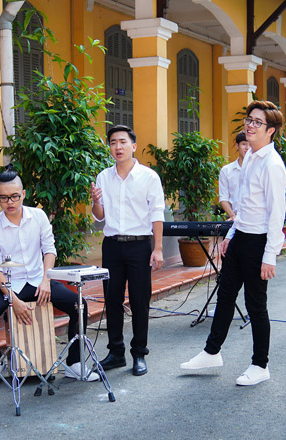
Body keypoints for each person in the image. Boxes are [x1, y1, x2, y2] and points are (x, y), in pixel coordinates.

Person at [181, 101, 286, 386]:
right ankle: (211, 352)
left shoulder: (272, 164)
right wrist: (230, 235)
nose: (250, 125)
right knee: (225, 296)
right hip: (241, 236)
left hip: (258, 242)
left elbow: (277, 213)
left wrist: (270, 255)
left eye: (257, 122)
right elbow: (242, 206)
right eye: (249, 120)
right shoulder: (250, 156)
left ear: (271, 130)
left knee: (256, 305)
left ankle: (260, 365)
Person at [0, 166, 97, 385]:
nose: (9, 202)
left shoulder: (38, 216)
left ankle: (75, 363)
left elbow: (49, 250)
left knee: (80, 305)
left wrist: (47, 280)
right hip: (10, 285)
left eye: (14, 196)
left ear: (23, 194)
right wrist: (13, 300)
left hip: (40, 281)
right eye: (3, 198)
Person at [90, 125, 165, 376]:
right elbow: (99, 216)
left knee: (139, 300)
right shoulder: (103, 177)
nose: (117, 147)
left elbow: (157, 213)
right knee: (112, 300)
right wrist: (95, 201)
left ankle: (139, 353)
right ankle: (116, 353)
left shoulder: (149, 177)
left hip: (139, 245)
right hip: (112, 245)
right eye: (113, 142)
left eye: (122, 142)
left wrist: (158, 249)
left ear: (133, 146)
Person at [219, 132, 250, 220]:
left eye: (250, 145)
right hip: (235, 218)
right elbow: (223, 198)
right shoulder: (226, 170)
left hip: (255, 220)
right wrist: (233, 216)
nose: (247, 148)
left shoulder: (259, 169)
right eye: (244, 144)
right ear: (237, 146)